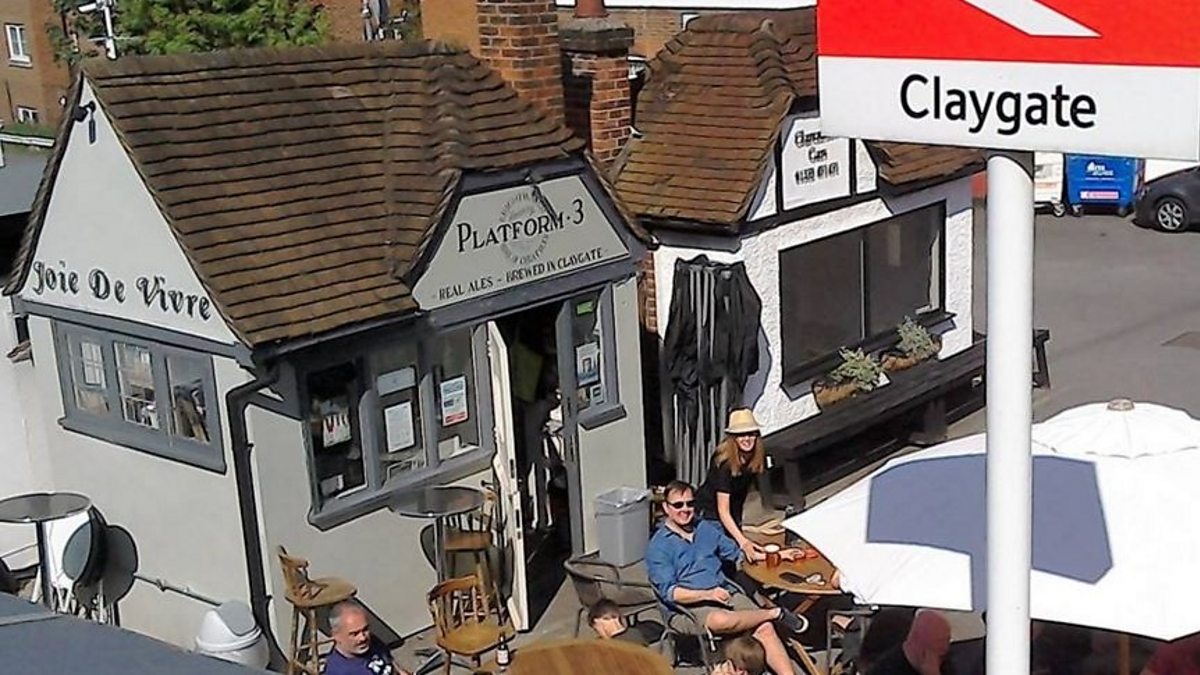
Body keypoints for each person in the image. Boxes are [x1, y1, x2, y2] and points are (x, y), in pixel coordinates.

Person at [646, 480, 808, 675]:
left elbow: (739, 553)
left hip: (724, 591)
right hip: (687, 608)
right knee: (721, 620)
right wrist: (708, 595)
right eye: (678, 505)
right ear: (666, 508)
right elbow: (670, 593)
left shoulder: (704, 528)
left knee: (765, 628)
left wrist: (779, 555)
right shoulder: (659, 547)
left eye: (690, 503)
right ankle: (775, 613)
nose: (685, 509)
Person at [696, 409, 772, 560]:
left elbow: (740, 497)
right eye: (741, 435)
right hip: (709, 513)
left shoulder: (756, 457)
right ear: (733, 439)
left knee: (738, 550)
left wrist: (741, 531)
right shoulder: (724, 463)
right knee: (727, 554)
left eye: (751, 434)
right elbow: (722, 510)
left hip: (732, 510)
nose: (747, 439)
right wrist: (743, 542)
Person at [324, 600, 412, 675]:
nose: (362, 638)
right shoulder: (339, 671)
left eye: (365, 629)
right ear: (336, 635)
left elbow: (389, 660)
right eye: (354, 634)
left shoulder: (371, 641)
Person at [866, 609, 952, 675]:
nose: (945, 647)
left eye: (947, 639)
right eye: (940, 641)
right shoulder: (885, 670)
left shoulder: (943, 662)